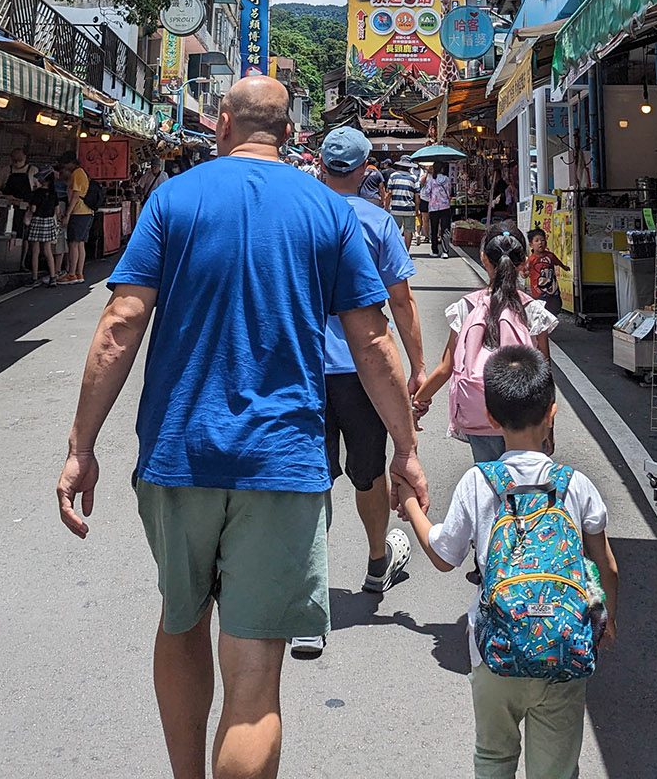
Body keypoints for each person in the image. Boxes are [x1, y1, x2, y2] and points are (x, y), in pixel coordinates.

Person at [56, 76, 426, 779]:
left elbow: (120, 324)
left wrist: (81, 448)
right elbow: (374, 343)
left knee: (181, 619)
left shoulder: (174, 198)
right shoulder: (329, 210)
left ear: (221, 123)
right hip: (282, 464)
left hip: (177, 453)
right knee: (253, 681)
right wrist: (405, 449)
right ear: (290, 135)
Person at [397, 346, 618, 779]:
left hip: (494, 651)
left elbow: (444, 555)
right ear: (551, 413)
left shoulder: (480, 483)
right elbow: (606, 564)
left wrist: (410, 503)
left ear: (492, 420)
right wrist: (608, 619)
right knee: (554, 770)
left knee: (494, 758)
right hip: (563, 649)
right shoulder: (576, 486)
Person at [291, 127, 426, 661]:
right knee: (368, 473)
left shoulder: (300, 216)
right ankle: (376, 563)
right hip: (363, 370)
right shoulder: (376, 221)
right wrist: (417, 368)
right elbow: (402, 302)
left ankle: (308, 599)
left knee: (309, 479)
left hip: (302, 368)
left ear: (321, 164)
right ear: (367, 166)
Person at [413, 228, 557, 461]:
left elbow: (445, 368)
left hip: (479, 412)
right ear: (522, 263)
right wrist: (549, 426)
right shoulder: (532, 310)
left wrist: (418, 403)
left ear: (483, 258)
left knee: (490, 483)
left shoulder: (466, 307)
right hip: (526, 415)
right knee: (525, 490)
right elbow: (544, 372)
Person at [1, 146, 38, 270]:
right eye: (14, 158)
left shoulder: (32, 171)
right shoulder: (7, 170)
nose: (16, 160)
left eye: (19, 157)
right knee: (6, 234)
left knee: (24, 236)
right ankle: (6, 260)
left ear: (25, 157)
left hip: (26, 209)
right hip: (8, 208)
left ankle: (22, 262)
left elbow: (38, 189)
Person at [59, 153, 92, 284]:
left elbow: (75, 195)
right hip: (86, 212)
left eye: (66, 164)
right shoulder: (82, 173)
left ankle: (72, 274)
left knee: (73, 243)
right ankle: (79, 273)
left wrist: (68, 213)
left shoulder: (77, 173)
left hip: (78, 212)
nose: (65, 167)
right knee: (80, 243)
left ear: (71, 163)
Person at [26, 166, 61, 286]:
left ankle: (34, 278)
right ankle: (53, 277)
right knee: (48, 251)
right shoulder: (53, 193)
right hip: (49, 222)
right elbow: (57, 210)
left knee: (35, 251)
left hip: (37, 221)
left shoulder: (37, 193)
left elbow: (33, 208)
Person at [526, 228, 569, 325]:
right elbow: (525, 270)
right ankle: (543, 326)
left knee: (555, 305)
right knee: (541, 309)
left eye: (542, 240)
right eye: (536, 241)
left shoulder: (550, 256)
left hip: (553, 288)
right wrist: (524, 273)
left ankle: (551, 321)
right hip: (538, 291)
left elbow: (558, 262)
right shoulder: (531, 259)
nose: (540, 243)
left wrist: (564, 267)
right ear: (531, 245)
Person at [385, 155, 421, 248]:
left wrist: (386, 207)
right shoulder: (414, 178)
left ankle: (396, 251)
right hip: (409, 208)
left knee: (395, 230)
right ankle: (407, 252)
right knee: (408, 230)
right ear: (409, 166)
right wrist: (417, 209)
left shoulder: (393, 176)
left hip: (396, 207)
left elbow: (389, 193)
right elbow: (417, 195)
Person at [426, 164, 454, 257]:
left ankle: (435, 251)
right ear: (442, 169)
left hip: (433, 208)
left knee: (434, 229)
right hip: (445, 207)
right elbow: (450, 192)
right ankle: (445, 252)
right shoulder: (447, 179)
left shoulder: (431, 180)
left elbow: (427, 192)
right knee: (445, 229)